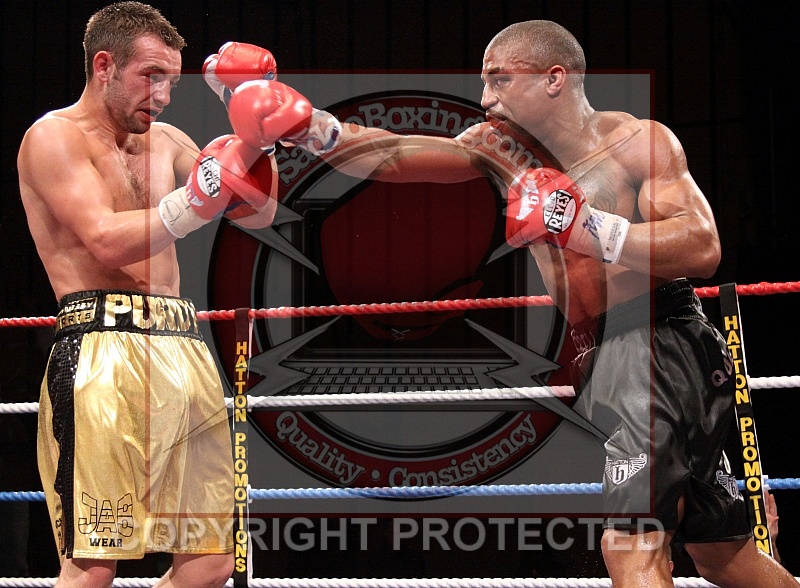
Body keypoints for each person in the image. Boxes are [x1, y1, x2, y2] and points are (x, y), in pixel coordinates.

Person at [209, 19, 799, 588]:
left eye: (500, 79)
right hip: (600, 352)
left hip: (657, 341)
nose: (485, 97)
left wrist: (590, 229)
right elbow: (395, 154)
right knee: (722, 554)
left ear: (554, 78)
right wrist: (309, 126)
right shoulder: (501, 148)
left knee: (632, 544)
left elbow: (702, 246)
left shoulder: (635, 143)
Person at [16, 3, 277, 587]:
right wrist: (195, 201)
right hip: (100, 349)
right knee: (93, 566)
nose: (161, 96)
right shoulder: (54, 137)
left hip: (182, 347)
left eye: (172, 83)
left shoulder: (169, 139)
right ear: (104, 65)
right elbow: (106, 240)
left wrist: (255, 131)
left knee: (213, 562)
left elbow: (259, 212)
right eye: (150, 77)